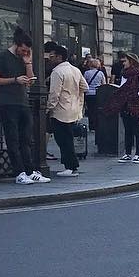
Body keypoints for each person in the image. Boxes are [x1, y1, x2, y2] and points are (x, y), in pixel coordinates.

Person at [0, 28, 48, 183]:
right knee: (13, 139)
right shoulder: (1, 57)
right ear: (16, 45)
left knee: (26, 139)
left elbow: (32, 80)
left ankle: (30, 171)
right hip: (7, 103)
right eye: (23, 50)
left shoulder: (24, 58)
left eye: (27, 51)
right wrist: (15, 80)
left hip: (22, 102)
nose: (24, 53)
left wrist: (28, 63)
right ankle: (19, 172)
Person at [44, 42, 87, 177]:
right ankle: (71, 165)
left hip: (60, 110)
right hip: (73, 109)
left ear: (59, 57)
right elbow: (85, 87)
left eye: (52, 56)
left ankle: (70, 166)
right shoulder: (75, 70)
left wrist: (48, 108)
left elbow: (54, 93)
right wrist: (76, 96)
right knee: (68, 137)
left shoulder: (57, 72)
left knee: (63, 139)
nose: (50, 59)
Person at [102, 51, 139, 162]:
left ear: (131, 61)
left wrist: (134, 96)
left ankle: (138, 154)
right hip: (125, 106)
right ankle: (127, 153)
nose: (123, 63)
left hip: (136, 106)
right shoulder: (125, 74)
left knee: (137, 131)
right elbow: (123, 88)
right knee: (127, 130)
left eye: (125, 61)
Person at [82, 55, 107, 131]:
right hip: (98, 93)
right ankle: (97, 125)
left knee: (90, 110)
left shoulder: (86, 73)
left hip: (89, 94)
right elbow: (104, 84)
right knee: (97, 110)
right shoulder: (101, 73)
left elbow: (83, 83)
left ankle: (91, 126)